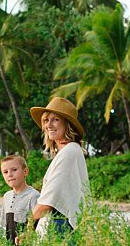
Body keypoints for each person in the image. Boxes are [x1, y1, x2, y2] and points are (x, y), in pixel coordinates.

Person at [28, 96, 88, 238]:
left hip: (60, 228)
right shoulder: (69, 151)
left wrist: (27, 226)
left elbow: (48, 201)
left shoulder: (69, 152)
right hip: (60, 225)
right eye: (46, 120)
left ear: (68, 125)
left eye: (56, 120)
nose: (49, 125)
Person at [0, 153, 39, 245]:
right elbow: (4, 226)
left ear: (25, 172)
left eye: (14, 170)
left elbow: (39, 227)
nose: (10, 174)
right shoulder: (7, 196)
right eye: (5, 172)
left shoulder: (34, 196)